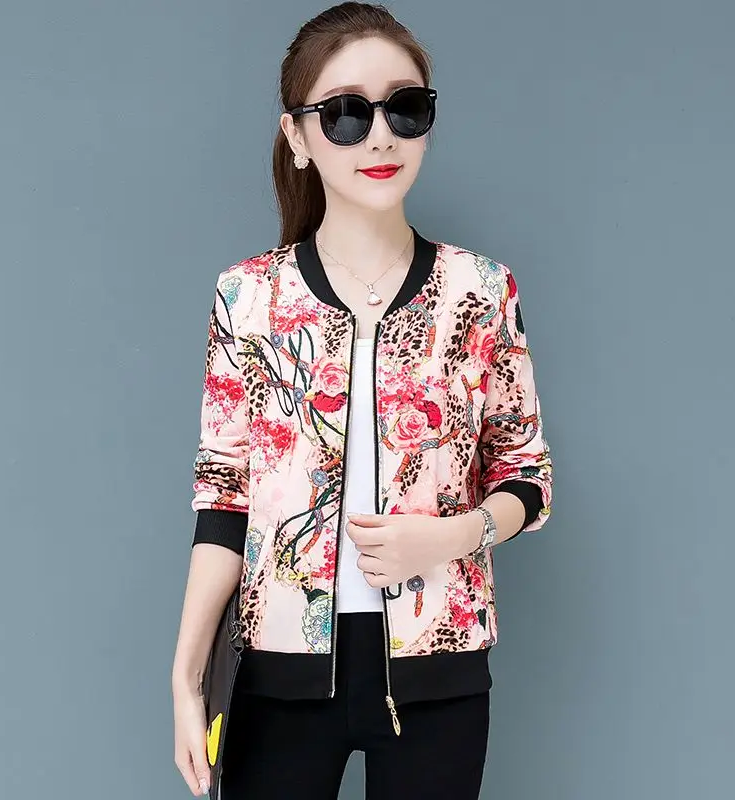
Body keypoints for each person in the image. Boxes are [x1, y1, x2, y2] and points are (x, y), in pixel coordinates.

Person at [171, 3, 554, 798]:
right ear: (298, 136)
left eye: (405, 109)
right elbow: (225, 495)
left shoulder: (481, 291)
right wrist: (187, 672)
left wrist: (452, 536)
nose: (380, 137)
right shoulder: (249, 297)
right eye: (346, 114)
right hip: (276, 682)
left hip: (439, 679)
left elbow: (526, 475)